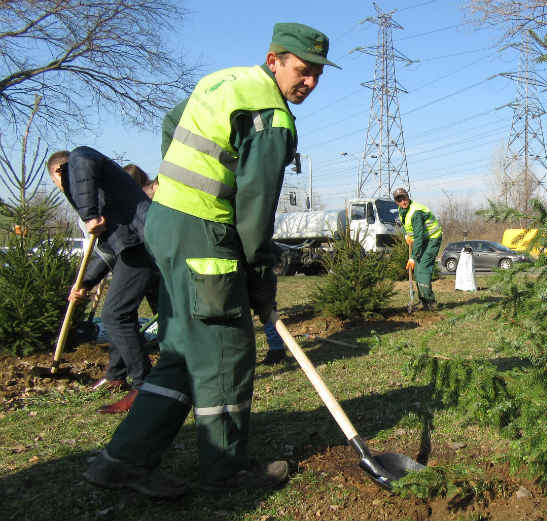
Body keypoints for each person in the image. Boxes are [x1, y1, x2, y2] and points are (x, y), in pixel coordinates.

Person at [83, 23, 338, 498]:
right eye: (302, 71)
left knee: (183, 348)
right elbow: (256, 209)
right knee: (226, 349)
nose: (309, 82)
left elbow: (169, 122)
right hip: (204, 232)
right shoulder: (271, 118)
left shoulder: (221, 81)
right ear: (274, 60)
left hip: (165, 222)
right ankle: (226, 472)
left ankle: (122, 462)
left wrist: (176, 187)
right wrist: (261, 277)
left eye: (318, 74)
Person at [46, 149, 160, 414]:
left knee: (115, 315)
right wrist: (85, 283)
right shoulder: (103, 195)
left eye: (57, 183)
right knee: (124, 314)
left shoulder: (76, 161)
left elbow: (82, 158)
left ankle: (143, 385)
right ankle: (117, 374)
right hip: (136, 245)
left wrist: (88, 214)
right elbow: (108, 249)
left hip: (142, 245)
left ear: (57, 173)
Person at [393, 187, 443, 311]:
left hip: (432, 239)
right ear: (396, 202)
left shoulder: (416, 212)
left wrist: (413, 258)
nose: (403, 202)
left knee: (423, 268)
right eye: (399, 200)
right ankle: (424, 301)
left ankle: (431, 302)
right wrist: (406, 234)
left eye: (404, 198)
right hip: (423, 240)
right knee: (417, 271)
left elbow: (419, 237)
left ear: (408, 197)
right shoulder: (402, 210)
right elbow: (404, 224)